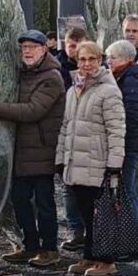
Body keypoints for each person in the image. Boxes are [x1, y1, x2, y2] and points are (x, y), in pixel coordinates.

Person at [0, 30, 66, 268]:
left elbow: (33, 110)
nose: (27, 51)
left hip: (42, 150)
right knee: (20, 200)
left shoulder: (51, 77)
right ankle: (30, 246)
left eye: (32, 47)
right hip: (22, 150)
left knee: (44, 202)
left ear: (44, 49)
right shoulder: (24, 73)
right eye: (24, 47)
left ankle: (50, 249)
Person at [55, 41, 125, 276]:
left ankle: (106, 260)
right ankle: (89, 254)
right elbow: (66, 126)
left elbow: (117, 130)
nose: (86, 64)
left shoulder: (109, 90)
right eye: (82, 59)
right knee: (85, 213)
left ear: (100, 60)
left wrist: (115, 163)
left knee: (100, 214)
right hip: (76, 162)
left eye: (91, 59)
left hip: (97, 162)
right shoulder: (74, 90)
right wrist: (60, 157)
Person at [106, 40, 138, 228]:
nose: (109, 61)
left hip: (128, 143)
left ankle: (131, 234)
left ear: (126, 59)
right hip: (125, 142)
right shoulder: (122, 76)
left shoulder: (130, 79)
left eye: (113, 57)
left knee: (127, 190)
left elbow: (131, 115)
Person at [56, 26, 87, 250]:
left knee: (86, 186)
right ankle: (76, 230)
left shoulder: (94, 68)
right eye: (70, 45)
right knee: (67, 185)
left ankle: (91, 230)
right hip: (64, 132)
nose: (74, 50)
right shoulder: (57, 68)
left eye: (78, 45)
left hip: (86, 135)